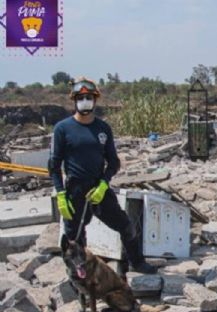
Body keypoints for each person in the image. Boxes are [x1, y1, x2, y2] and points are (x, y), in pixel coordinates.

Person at [49, 77, 156, 274]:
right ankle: (79, 279)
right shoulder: (62, 129)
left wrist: (104, 184)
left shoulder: (103, 129)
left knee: (126, 227)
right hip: (75, 190)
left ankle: (137, 263)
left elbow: (113, 162)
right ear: (74, 100)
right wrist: (61, 195)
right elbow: (54, 166)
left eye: (89, 97)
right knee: (75, 240)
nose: (85, 101)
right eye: (81, 97)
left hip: (99, 188)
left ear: (95, 100)